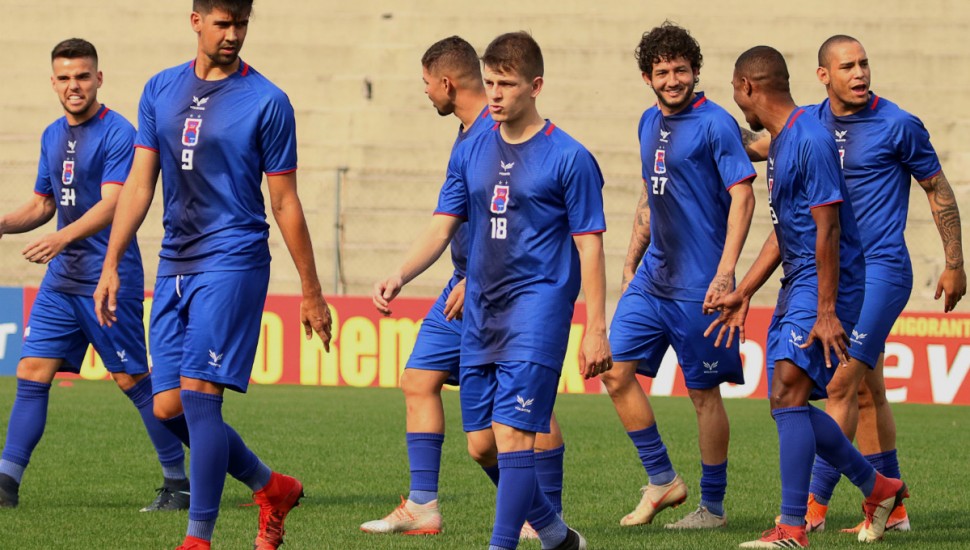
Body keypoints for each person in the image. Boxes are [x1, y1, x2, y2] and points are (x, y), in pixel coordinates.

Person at [93, 2, 332, 549]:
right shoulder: (160, 89)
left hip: (234, 259)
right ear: (196, 21)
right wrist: (111, 263)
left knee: (201, 394)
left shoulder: (267, 100)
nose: (233, 34)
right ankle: (272, 487)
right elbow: (140, 184)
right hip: (174, 261)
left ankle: (197, 540)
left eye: (241, 24)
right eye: (223, 23)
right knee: (167, 406)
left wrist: (311, 291)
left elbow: (285, 201)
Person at [374, 31, 610, 550]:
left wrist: (596, 328)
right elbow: (443, 224)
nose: (496, 94)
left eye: (507, 84)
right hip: (482, 311)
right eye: (490, 83)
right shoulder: (473, 148)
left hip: (537, 309)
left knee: (513, 436)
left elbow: (590, 247)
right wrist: (400, 274)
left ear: (536, 86)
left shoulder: (569, 157)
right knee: (482, 446)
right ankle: (557, 536)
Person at [710, 45, 907, 547]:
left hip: (822, 286)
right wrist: (744, 290)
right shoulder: (785, 141)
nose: (737, 100)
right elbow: (785, 231)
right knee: (786, 401)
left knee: (789, 393)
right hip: (797, 281)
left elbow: (828, 228)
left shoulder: (810, 139)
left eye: (736, 90)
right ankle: (879, 487)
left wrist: (826, 311)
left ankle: (793, 528)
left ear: (748, 87)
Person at [0, 38, 189, 512]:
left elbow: (114, 203)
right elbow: (44, 203)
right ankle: (5, 483)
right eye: (64, 78)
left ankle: (179, 483)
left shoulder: (119, 132)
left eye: (82, 76)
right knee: (31, 371)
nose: (74, 85)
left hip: (108, 279)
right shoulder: (51, 135)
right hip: (62, 282)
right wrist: (2, 223)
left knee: (132, 380)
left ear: (98, 78)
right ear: (52, 83)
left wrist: (61, 239)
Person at [798, 35, 965, 533]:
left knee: (840, 383)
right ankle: (894, 512)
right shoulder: (810, 122)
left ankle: (811, 511)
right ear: (823, 75)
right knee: (868, 393)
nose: (860, 73)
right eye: (847, 66)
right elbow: (763, 144)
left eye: (864, 63)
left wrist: (954, 262)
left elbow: (937, 188)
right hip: (840, 274)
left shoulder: (898, 124)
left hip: (883, 271)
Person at [599, 21, 756, 530]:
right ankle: (662, 479)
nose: (673, 80)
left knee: (702, 394)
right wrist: (631, 260)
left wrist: (726, 273)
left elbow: (743, 195)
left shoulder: (716, 123)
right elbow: (652, 193)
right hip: (652, 278)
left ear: (695, 71)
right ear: (647, 77)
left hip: (700, 285)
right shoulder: (647, 121)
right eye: (663, 72)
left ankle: (713, 507)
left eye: (681, 70)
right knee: (613, 371)